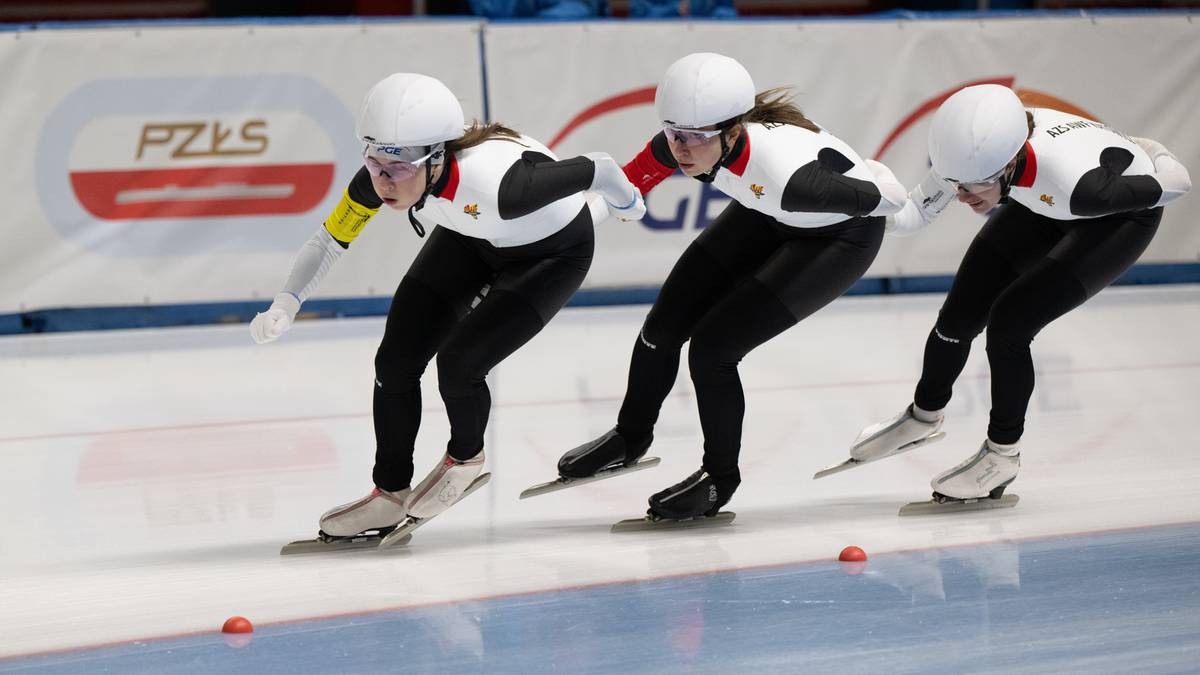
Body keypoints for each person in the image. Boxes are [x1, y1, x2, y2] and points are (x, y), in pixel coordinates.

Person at [252, 73, 644, 545]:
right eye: (374, 163)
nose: (382, 182)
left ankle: (465, 458)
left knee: (459, 364)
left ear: (437, 159)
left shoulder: (501, 185)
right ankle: (389, 490)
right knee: (395, 362)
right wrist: (286, 302)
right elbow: (329, 240)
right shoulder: (386, 175)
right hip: (471, 237)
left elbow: (598, 168)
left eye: (396, 170)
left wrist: (629, 203)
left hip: (552, 254)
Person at [554, 52, 907, 522]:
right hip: (766, 213)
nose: (680, 149)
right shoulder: (684, 141)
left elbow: (889, 201)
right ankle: (631, 435)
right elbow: (626, 188)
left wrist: (876, 175)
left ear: (733, 131)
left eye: (695, 138)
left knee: (713, 350)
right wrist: (573, 229)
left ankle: (719, 480)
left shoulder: (789, 176)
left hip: (838, 237)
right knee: (662, 325)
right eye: (672, 132)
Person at [847, 84, 1190, 505]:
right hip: (1039, 200)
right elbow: (914, 213)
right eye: (952, 182)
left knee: (1010, 325)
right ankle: (922, 415)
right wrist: (867, 200)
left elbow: (1177, 183)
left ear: (1009, 163)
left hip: (1113, 219)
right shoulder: (973, 153)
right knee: (960, 314)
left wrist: (1153, 152)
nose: (961, 195)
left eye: (973, 186)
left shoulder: (1075, 185)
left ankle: (1001, 456)